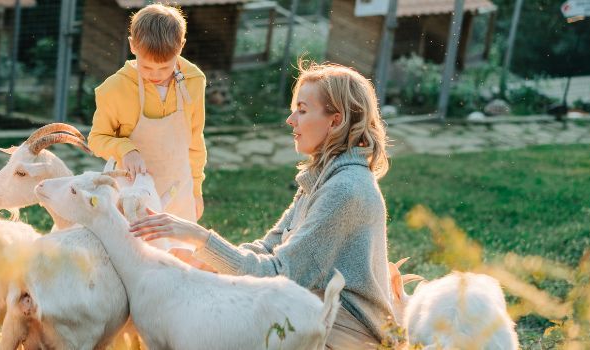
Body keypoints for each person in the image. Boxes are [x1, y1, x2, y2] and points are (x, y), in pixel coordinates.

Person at [131, 61, 394, 348]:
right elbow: (268, 249)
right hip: (315, 314)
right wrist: (203, 261)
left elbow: (278, 274)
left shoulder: (345, 190)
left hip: (350, 334)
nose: (290, 120)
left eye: (302, 110)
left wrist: (199, 237)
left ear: (335, 120)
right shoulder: (322, 179)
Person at [88, 3, 208, 221]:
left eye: (164, 68)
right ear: (133, 46)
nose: (155, 75)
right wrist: (126, 150)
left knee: (178, 242)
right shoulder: (114, 89)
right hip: (131, 193)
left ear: (181, 46)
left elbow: (195, 140)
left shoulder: (194, 81)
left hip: (179, 189)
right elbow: (96, 139)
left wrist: (196, 191)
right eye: (146, 67)